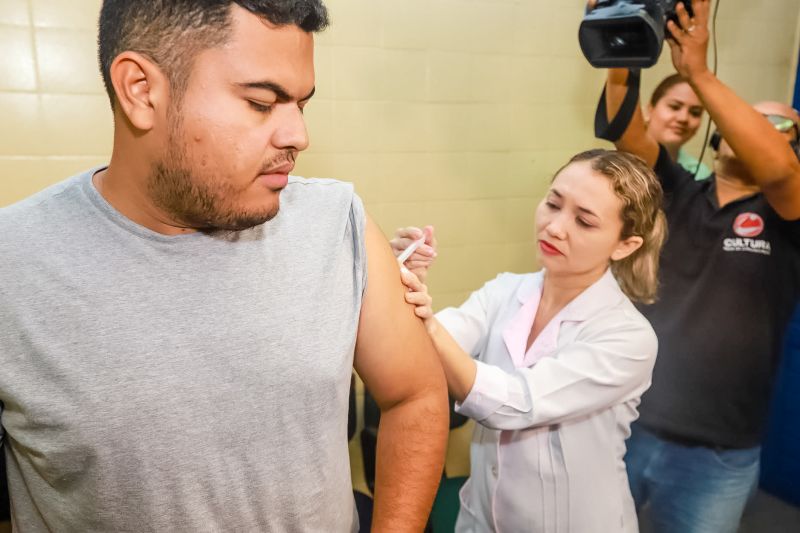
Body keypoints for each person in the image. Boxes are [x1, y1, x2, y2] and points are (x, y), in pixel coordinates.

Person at [0, 1, 449, 531]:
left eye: (301, 104)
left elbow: (415, 395)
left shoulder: (335, 222)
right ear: (141, 89)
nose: (297, 136)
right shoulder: (14, 265)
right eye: (262, 103)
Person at [598, 1, 800, 531]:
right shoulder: (680, 192)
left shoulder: (788, 217)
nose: (758, 127)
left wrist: (700, 72)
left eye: (777, 123)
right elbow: (624, 128)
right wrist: (622, 46)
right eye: (749, 117)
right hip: (630, 422)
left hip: (716, 455)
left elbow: (778, 168)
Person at [393, 149, 667, 532]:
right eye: (553, 204)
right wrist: (404, 286)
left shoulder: (627, 337)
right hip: (481, 519)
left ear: (625, 245)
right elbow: (421, 352)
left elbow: (515, 404)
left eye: (584, 222)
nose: (555, 227)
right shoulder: (506, 291)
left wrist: (427, 325)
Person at [645, 74, 711, 179]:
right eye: (674, 107)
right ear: (650, 109)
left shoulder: (700, 174)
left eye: (695, 112)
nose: (683, 118)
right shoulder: (617, 163)